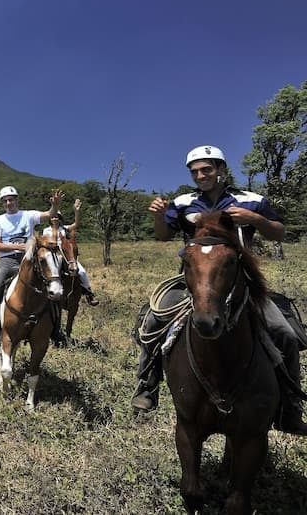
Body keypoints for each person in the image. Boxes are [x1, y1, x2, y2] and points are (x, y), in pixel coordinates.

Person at [131, 145, 307, 435]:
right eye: (195, 172)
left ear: (221, 169)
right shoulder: (183, 202)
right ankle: (147, 388)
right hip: (193, 282)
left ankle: (290, 409)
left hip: (240, 283)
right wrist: (159, 216)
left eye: (207, 169)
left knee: (284, 333)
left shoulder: (250, 200)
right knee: (152, 320)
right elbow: (163, 236)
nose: (201, 176)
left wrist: (256, 220)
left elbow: (278, 231)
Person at [0, 186, 63, 343]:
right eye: (5, 200)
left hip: (29, 260)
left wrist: (55, 205)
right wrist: (19, 246)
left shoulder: (28, 215)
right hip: (7, 261)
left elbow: (49, 214)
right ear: (2, 203)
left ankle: (55, 328)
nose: (8, 203)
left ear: (17, 200)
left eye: (11, 199)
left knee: (53, 286)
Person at [42, 198, 99, 307]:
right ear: (49, 218)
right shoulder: (46, 231)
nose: (55, 218)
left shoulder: (65, 228)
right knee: (50, 274)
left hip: (67, 255)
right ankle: (44, 295)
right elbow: (47, 244)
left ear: (60, 219)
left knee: (81, 272)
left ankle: (89, 293)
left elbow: (76, 224)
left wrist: (77, 211)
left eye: (57, 217)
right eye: (53, 216)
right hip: (54, 256)